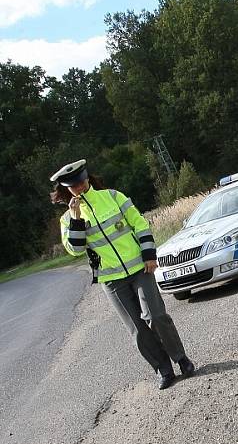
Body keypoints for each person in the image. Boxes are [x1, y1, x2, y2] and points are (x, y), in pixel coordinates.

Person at [50, 159, 194, 390]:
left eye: (80, 182)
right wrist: (76, 219)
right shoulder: (67, 219)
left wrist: (149, 254)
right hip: (111, 279)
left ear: (87, 178)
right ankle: (163, 370)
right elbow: (75, 250)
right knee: (137, 329)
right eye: (72, 186)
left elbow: (140, 224)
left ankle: (181, 358)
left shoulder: (114, 197)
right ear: (65, 189)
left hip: (140, 268)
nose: (78, 187)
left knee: (156, 316)